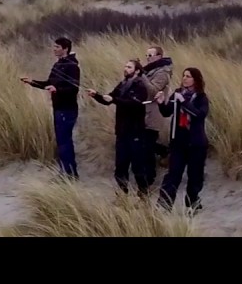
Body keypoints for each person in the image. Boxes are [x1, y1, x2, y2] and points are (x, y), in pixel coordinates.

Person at [87, 59, 152, 197]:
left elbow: (134, 104)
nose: (126, 69)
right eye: (125, 66)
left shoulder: (140, 85)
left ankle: (143, 193)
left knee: (137, 166)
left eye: (129, 67)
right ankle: (122, 194)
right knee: (120, 165)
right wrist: (97, 95)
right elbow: (110, 98)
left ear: (137, 71)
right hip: (122, 131)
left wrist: (114, 100)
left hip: (135, 131)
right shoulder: (123, 84)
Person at [21, 37, 82, 179]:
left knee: (65, 142)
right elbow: (48, 83)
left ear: (65, 48)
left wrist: (57, 89)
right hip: (58, 108)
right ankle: (66, 172)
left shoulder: (72, 66)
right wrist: (32, 82)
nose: (54, 49)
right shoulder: (58, 65)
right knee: (61, 142)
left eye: (57, 47)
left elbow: (74, 88)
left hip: (67, 109)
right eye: (54, 46)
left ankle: (70, 174)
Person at [155, 67, 210, 213]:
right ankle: (164, 205)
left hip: (196, 144)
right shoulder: (178, 93)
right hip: (178, 143)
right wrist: (161, 102)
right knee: (173, 174)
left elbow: (199, 115)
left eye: (189, 76)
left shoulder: (201, 98)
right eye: (184, 75)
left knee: (195, 176)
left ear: (196, 80)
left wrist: (184, 102)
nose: (185, 78)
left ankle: (192, 202)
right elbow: (167, 112)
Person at [141, 45, 173, 172]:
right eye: (147, 55)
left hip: (154, 112)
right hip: (144, 111)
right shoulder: (149, 70)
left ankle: (150, 174)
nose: (148, 58)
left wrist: (142, 76)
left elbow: (154, 90)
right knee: (144, 142)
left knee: (147, 144)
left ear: (159, 56)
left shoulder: (163, 72)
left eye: (151, 55)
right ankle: (164, 152)